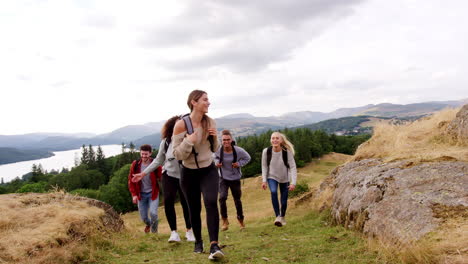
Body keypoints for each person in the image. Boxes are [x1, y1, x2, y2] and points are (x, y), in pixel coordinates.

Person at [172, 90, 224, 260]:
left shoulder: (210, 122)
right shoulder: (181, 125)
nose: (208, 103)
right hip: (188, 173)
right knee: (194, 208)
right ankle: (198, 241)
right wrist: (189, 141)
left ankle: (214, 244)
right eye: (205, 100)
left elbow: (215, 148)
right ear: (194, 102)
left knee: (210, 202)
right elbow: (177, 154)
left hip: (208, 169)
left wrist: (215, 139)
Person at [132, 116, 195, 243]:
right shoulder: (165, 143)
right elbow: (158, 160)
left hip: (185, 175)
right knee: (168, 201)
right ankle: (174, 233)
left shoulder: (188, 139)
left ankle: (189, 231)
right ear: (172, 128)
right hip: (169, 175)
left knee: (186, 203)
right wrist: (143, 173)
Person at [214, 129, 251, 231]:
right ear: (221, 141)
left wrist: (238, 164)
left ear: (231, 140)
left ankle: (241, 221)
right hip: (223, 178)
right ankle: (225, 221)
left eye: (228, 140)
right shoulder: (218, 150)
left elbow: (247, 158)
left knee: (237, 200)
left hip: (235, 178)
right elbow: (214, 157)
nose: (226, 142)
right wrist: (217, 162)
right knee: (222, 198)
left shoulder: (238, 150)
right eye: (224, 140)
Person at [261, 132, 297, 227]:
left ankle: (282, 217)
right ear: (271, 140)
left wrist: (293, 182)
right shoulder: (266, 151)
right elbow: (264, 166)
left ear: (281, 141)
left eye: (277, 138)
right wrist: (264, 180)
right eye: (273, 138)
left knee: (284, 201)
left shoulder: (287, 152)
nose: (275, 140)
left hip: (285, 178)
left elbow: (293, 167)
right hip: (272, 176)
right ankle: (277, 216)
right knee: (273, 192)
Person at [128, 144, 162, 233]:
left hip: (153, 193)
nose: (143, 156)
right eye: (142, 154)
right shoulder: (135, 165)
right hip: (141, 195)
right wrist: (134, 195)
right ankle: (148, 224)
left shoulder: (155, 164)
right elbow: (131, 181)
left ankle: (154, 234)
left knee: (153, 213)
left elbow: (161, 176)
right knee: (143, 218)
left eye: (146, 154)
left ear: (150, 153)